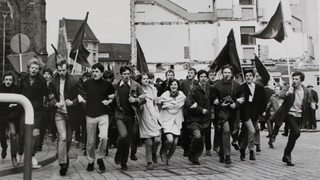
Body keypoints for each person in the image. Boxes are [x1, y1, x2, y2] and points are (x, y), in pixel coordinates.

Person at [269, 71, 316, 166]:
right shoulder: (289, 88)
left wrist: (313, 104)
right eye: (293, 79)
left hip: (300, 116)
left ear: (301, 80)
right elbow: (280, 95)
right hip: (289, 114)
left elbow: (310, 100)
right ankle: (287, 154)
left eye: (296, 79)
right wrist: (287, 93)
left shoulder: (306, 91)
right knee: (296, 132)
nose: (294, 81)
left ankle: (286, 156)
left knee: (293, 136)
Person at [79, 63, 115, 172]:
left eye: (97, 71)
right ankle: (90, 161)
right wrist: (82, 99)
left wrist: (109, 101)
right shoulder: (87, 83)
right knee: (90, 141)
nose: (94, 73)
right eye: (93, 71)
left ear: (102, 73)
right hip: (90, 115)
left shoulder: (107, 84)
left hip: (103, 114)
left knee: (104, 137)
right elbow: (80, 93)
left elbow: (113, 96)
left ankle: (100, 158)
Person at [49, 60, 80, 175]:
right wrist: (55, 103)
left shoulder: (75, 80)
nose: (61, 72)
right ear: (57, 69)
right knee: (62, 137)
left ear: (67, 69)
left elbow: (81, 95)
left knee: (67, 140)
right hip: (59, 113)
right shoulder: (52, 82)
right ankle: (63, 164)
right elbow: (50, 96)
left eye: (63, 70)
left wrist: (73, 102)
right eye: (59, 70)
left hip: (71, 114)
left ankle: (63, 155)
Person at [114, 65, 145, 170]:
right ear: (121, 75)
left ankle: (124, 162)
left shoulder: (136, 85)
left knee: (127, 140)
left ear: (130, 74)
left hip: (131, 115)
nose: (126, 76)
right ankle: (118, 153)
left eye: (128, 74)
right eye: (124, 74)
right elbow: (110, 95)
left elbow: (143, 98)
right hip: (119, 115)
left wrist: (135, 100)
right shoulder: (116, 85)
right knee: (123, 135)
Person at [18, 58, 47, 168]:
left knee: (35, 133)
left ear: (39, 69)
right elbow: (18, 92)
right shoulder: (23, 78)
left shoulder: (42, 80)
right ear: (29, 68)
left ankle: (32, 155)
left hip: (37, 111)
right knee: (22, 133)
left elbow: (47, 94)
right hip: (24, 109)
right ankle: (20, 153)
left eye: (36, 68)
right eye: (32, 68)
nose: (34, 70)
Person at [211, 65, 243, 164]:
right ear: (222, 74)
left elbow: (242, 97)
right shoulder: (217, 85)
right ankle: (227, 155)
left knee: (229, 132)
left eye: (229, 72)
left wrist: (236, 104)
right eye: (225, 72)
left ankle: (221, 152)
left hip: (233, 114)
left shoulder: (237, 85)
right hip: (221, 113)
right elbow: (213, 99)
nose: (227, 74)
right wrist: (219, 103)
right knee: (226, 131)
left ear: (232, 74)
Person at [238, 69, 267, 161]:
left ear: (253, 77)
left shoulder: (259, 88)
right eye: (246, 76)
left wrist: (260, 112)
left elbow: (264, 101)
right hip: (245, 115)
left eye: (250, 75)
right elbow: (239, 100)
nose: (248, 77)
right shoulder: (241, 87)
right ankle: (251, 151)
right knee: (252, 131)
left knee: (246, 132)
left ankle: (242, 149)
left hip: (255, 114)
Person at [136, 73, 162, 170]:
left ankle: (154, 152)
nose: (146, 80)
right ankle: (149, 161)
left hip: (154, 115)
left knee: (157, 140)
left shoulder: (153, 89)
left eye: (147, 78)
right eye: (144, 79)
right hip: (145, 116)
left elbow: (156, 102)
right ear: (140, 80)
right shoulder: (139, 90)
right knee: (148, 142)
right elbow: (137, 103)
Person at [185, 69, 211, 165]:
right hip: (194, 119)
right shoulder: (194, 89)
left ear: (207, 78)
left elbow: (212, 100)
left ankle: (196, 158)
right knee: (197, 136)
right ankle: (190, 153)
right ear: (198, 78)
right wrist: (200, 110)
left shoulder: (209, 89)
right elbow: (189, 103)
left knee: (202, 141)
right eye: (201, 77)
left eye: (205, 77)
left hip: (205, 120)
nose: (203, 79)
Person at [159, 79, 186, 165]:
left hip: (176, 120)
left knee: (175, 142)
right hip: (167, 119)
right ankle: (163, 150)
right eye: (172, 85)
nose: (173, 86)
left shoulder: (182, 96)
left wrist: (174, 104)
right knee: (170, 140)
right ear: (169, 86)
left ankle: (169, 157)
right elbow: (160, 103)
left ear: (178, 86)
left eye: (175, 84)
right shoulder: (165, 95)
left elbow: (183, 103)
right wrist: (167, 104)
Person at [0, 71, 20, 166]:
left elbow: (19, 103)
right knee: (1, 135)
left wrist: (14, 106)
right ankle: (4, 147)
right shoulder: (0, 88)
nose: (8, 81)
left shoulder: (16, 89)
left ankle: (13, 156)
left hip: (11, 116)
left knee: (13, 134)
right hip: (1, 115)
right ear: (3, 80)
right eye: (6, 79)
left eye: (10, 80)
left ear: (13, 81)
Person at [179, 68, 198, 157]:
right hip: (186, 108)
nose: (190, 74)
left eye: (192, 73)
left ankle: (192, 148)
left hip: (195, 109)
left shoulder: (197, 83)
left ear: (195, 74)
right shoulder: (183, 83)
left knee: (193, 130)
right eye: (189, 73)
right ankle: (185, 148)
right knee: (185, 130)